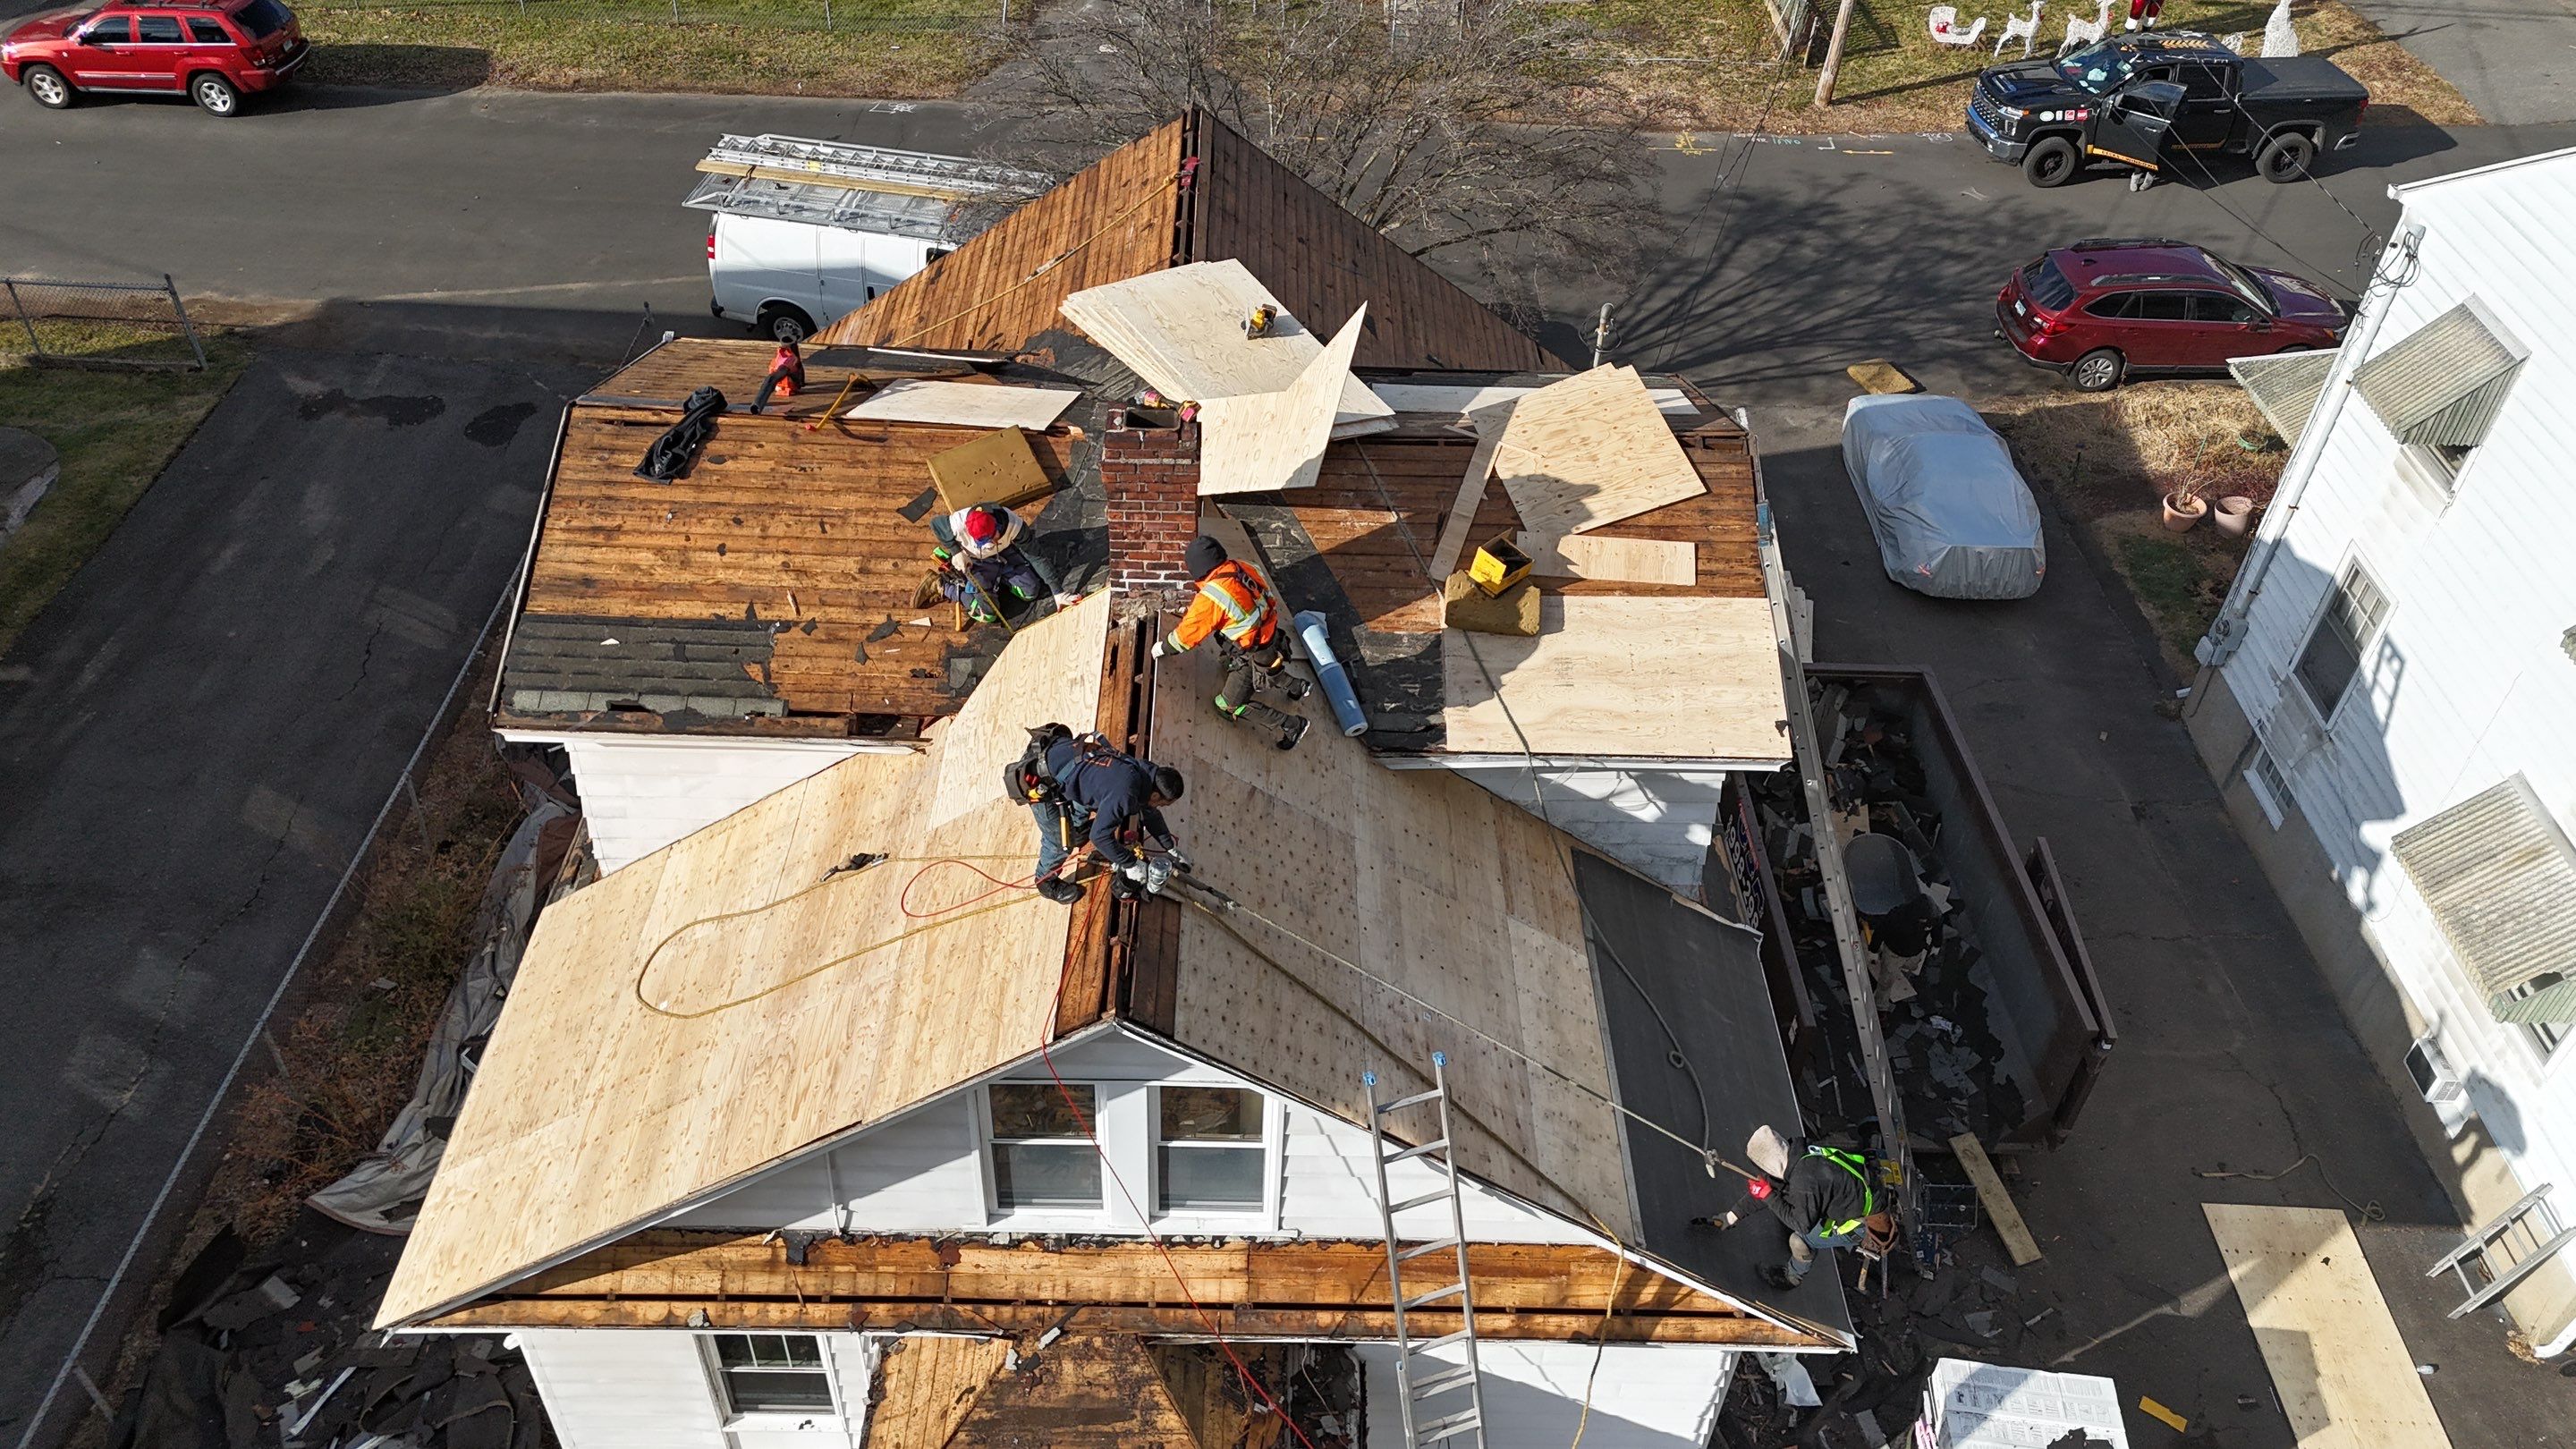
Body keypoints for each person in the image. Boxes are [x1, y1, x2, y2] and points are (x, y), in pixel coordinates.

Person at [1148, 535, 1309, 750]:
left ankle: (1291, 725)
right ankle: (1297, 686)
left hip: (1253, 651)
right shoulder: (1243, 567)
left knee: (1228, 705)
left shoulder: (1212, 597)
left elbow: (1185, 638)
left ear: (1198, 569)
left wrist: (1161, 648)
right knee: (1245, 652)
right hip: (1270, 636)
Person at [1698, 1126, 1890, 1290]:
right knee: (1783, 1205)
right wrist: (1730, 1217)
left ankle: (1791, 1278)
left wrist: (1769, 1196)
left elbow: (1801, 1224)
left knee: (1799, 1240)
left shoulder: (1805, 1182)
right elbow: (1769, 1189)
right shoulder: (1799, 1153)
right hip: (1864, 1192)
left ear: (1771, 1166)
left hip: (1861, 1223)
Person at [1020, 728, 1189, 904]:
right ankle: (1045, 882)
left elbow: (1150, 812)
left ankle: (1076, 828)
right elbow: (1099, 837)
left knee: (1092, 799)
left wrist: (1170, 847)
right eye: (1163, 803)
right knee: (1060, 840)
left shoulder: (1144, 774)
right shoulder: (1125, 793)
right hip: (1038, 779)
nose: (1160, 807)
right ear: (1155, 795)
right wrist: (1131, 863)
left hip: (1064, 760)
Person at [915, 503, 1080, 624]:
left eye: (990, 539)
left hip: (1004, 555)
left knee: (1030, 592)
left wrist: (1058, 592)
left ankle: (996, 580)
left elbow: (1037, 557)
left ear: (997, 526)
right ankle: (945, 585)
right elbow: (935, 524)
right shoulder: (958, 523)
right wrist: (956, 552)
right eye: (982, 542)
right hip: (974, 563)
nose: (988, 544)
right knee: (988, 615)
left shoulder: (1015, 526)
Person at [752, 339, 805, 414]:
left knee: (773, 378)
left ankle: (798, 382)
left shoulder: (791, 362)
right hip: (785, 372)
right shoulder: (788, 361)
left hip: (788, 374)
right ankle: (756, 406)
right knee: (772, 378)